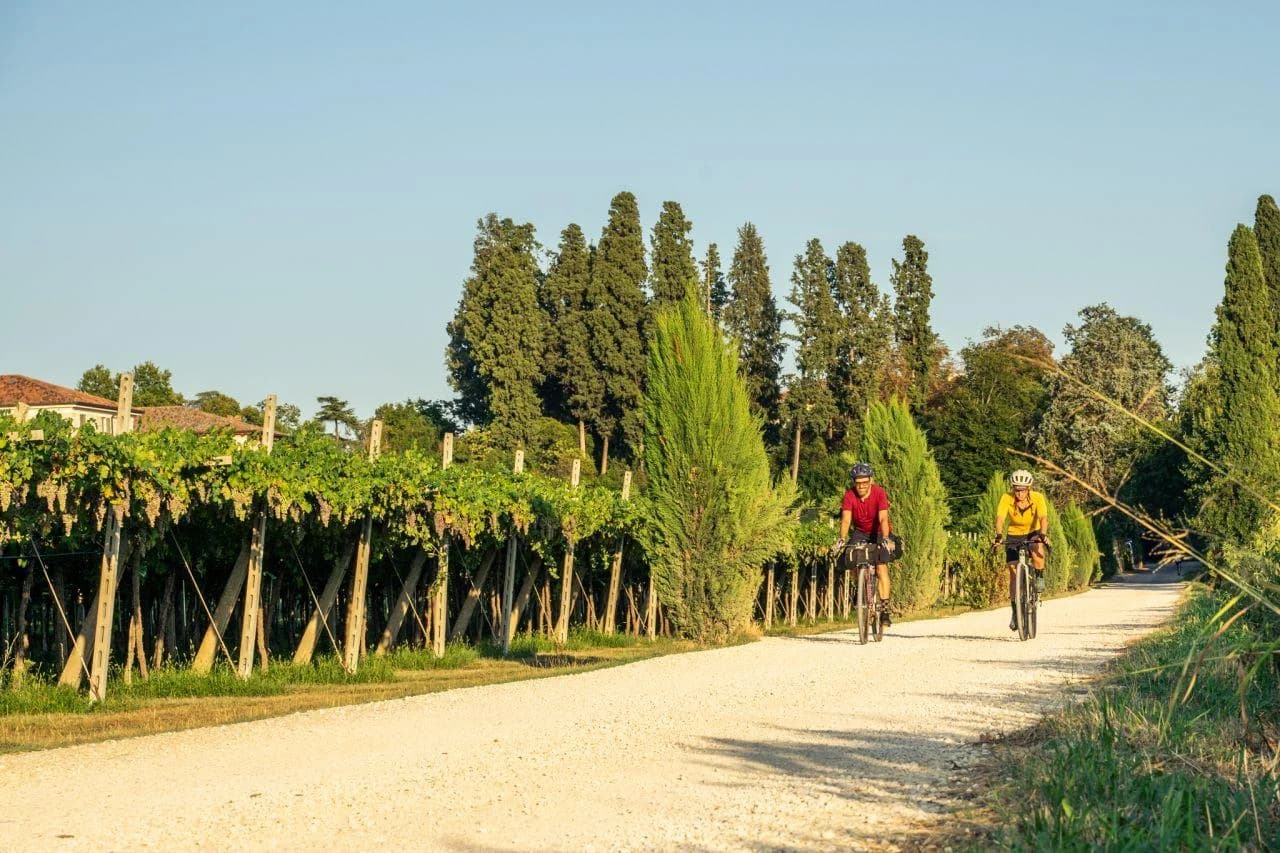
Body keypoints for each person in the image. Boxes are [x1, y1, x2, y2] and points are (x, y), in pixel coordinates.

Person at [833, 462, 896, 625]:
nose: (861, 486)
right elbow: (846, 520)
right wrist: (841, 538)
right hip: (860, 531)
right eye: (858, 483)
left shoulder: (879, 493)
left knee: (881, 567)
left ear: (870, 481)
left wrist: (885, 538)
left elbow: (883, 518)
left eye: (864, 483)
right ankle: (860, 585)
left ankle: (885, 610)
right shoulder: (849, 496)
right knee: (852, 558)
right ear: (854, 482)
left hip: (879, 531)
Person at [992, 469, 1049, 631]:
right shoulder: (1006, 498)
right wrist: (998, 534)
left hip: (1033, 531)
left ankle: (1039, 577)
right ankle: (1015, 612)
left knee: (1038, 553)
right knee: (1013, 570)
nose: (1019, 493)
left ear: (1028, 489)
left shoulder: (1038, 498)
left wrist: (1043, 534)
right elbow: (1000, 518)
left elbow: (1043, 517)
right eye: (1016, 489)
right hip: (1014, 534)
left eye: (1022, 489)